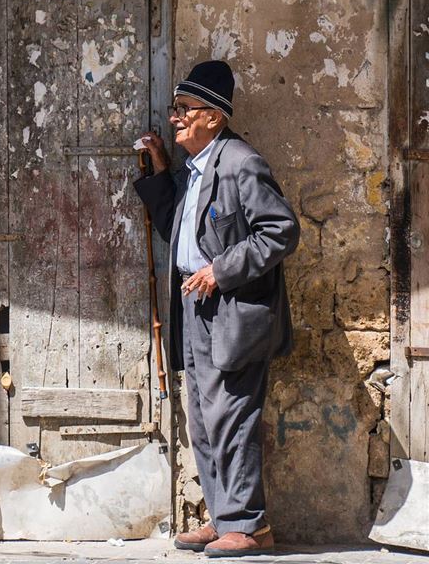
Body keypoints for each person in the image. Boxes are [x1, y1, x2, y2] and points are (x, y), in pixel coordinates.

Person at [134, 60, 300, 558]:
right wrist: (162, 170)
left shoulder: (241, 162)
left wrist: (220, 270)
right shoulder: (196, 168)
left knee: (233, 417)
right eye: (175, 109)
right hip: (195, 309)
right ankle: (225, 517)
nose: (175, 118)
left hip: (233, 310)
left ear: (213, 116)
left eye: (184, 110)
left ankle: (249, 526)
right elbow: (176, 229)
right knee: (205, 419)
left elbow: (281, 231)